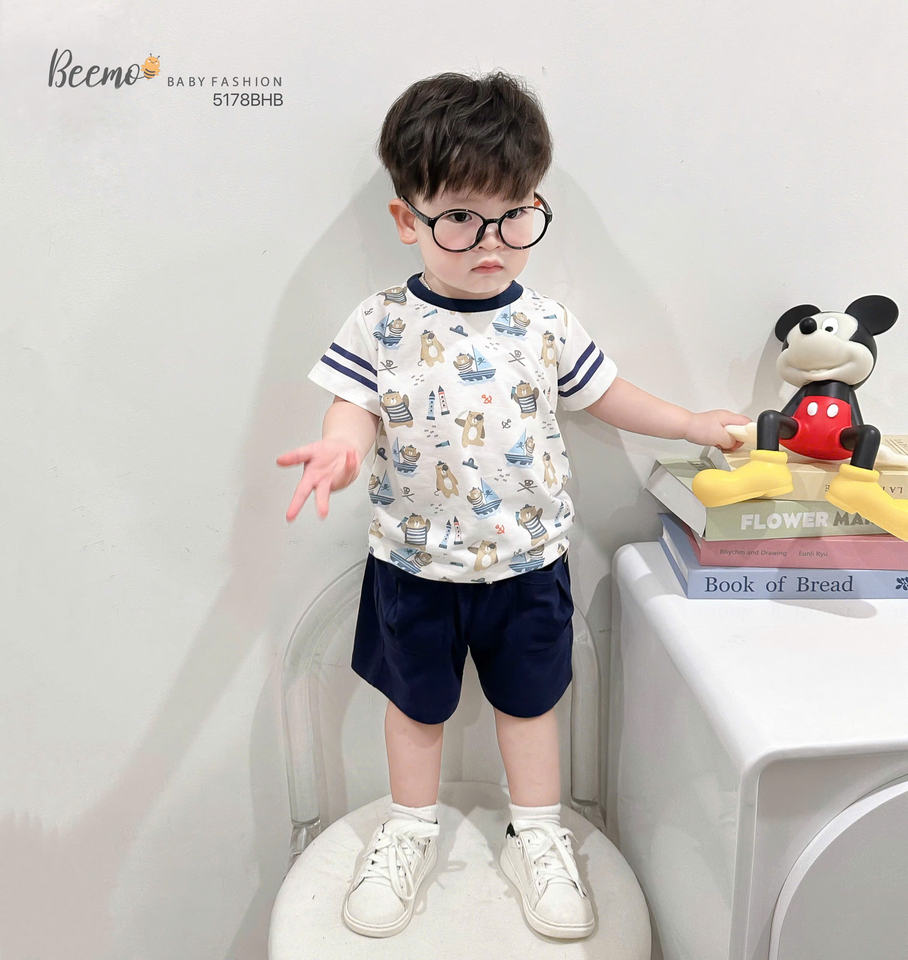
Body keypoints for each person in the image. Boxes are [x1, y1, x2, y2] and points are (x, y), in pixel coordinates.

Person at [276, 71, 749, 940]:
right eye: (460, 218)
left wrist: (689, 423)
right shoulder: (380, 322)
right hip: (412, 564)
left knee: (530, 708)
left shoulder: (544, 323)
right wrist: (340, 450)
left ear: (535, 205)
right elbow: (351, 406)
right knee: (415, 709)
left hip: (528, 564)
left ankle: (539, 833)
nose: (491, 241)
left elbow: (607, 394)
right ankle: (409, 829)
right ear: (408, 219)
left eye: (514, 214)